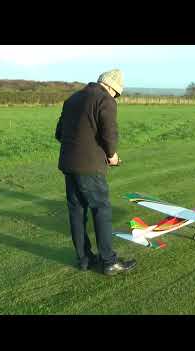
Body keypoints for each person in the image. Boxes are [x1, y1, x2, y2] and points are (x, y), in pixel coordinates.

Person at [55, 69, 136, 276]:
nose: (115, 97)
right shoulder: (105, 100)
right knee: (102, 210)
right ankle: (109, 261)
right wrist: (112, 155)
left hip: (68, 165)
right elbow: (109, 134)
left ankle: (84, 259)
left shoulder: (72, 99)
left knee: (77, 212)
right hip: (90, 168)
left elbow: (59, 133)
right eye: (116, 93)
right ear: (110, 87)